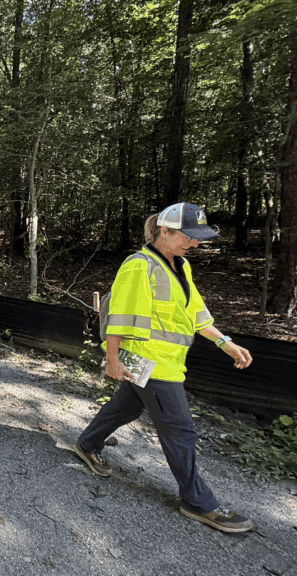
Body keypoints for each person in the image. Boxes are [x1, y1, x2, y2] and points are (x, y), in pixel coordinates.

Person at [74, 203, 255, 533]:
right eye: (189, 237)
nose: (195, 244)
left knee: (125, 407)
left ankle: (87, 444)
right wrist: (112, 358)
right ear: (165, 232)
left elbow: (196, 313)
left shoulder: (180, 266)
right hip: (148, 362)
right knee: (180, 429)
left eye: (198, 239)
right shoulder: (138, 266)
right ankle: (199, 503)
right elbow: (120, 317)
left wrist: (225, 342)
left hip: (166, 362)